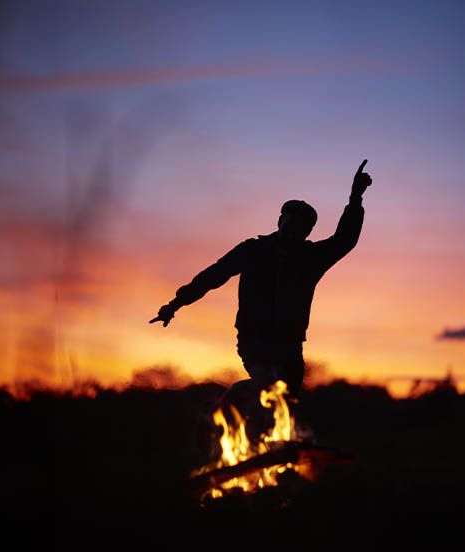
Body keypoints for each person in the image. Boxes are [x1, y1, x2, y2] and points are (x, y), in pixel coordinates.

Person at [151, 159, 372, 433]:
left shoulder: (311, 258)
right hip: (254, 339)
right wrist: (176, 304)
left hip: (291, 346)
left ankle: (267, 459)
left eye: (302, 229)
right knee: (267, 382)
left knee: (283, 407)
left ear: (308, 233)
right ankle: (219, 410)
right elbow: (214, 275)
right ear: (280, 221)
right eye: (290, 224)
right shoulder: (252, 250)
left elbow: (344, 240)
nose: (294, 231)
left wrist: (355, 198)